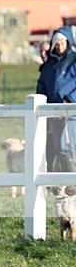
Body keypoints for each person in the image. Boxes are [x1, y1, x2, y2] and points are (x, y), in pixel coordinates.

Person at [36, 26, 76, 172]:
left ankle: (72, 182)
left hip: (69, 110)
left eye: (63, 43)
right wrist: (40, 100)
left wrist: (69, 99)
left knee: (66, 146)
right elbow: (42, 83)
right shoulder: (50, 64)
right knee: (57, 147)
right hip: (52, 110)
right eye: (57, 44)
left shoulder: (73, 60)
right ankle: (64, 185)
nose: (60, 47)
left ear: (68, 43)